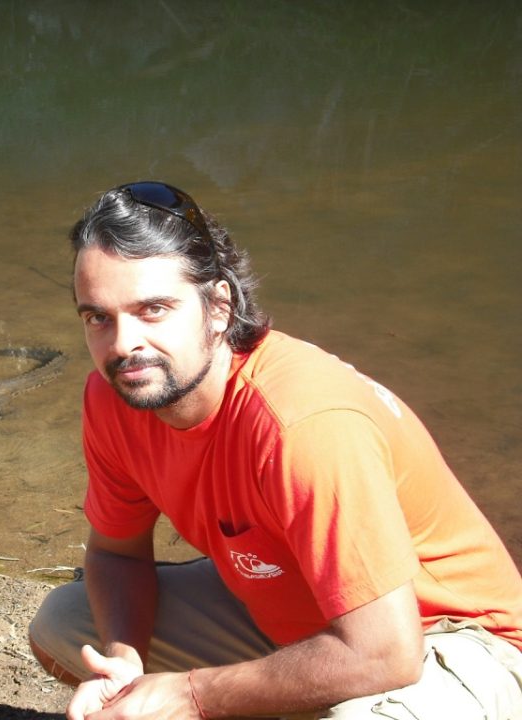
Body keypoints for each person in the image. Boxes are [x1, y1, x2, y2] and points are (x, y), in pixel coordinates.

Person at [28, 181, 522, 719]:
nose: (122, 344)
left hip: (452, 639)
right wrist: (125, 662)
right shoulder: (115, 396)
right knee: (65, 624)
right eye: (98, 317)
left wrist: (190, 694)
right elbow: (115, 555)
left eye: (153, 309)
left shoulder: (303, 424)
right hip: (299, 621)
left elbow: (387, 653)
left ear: (218, 306)